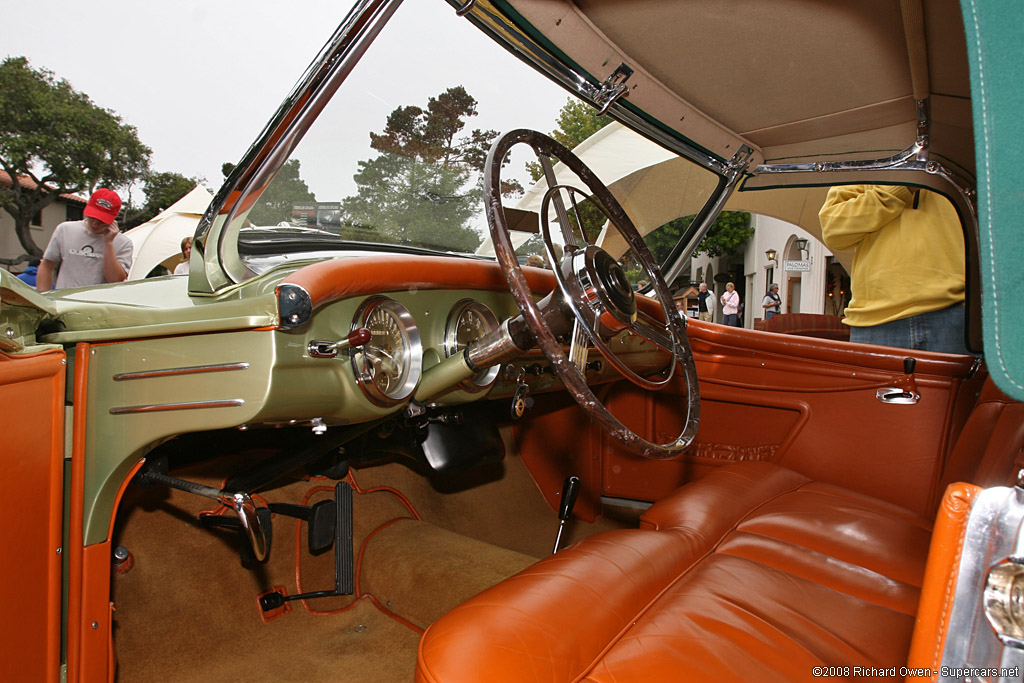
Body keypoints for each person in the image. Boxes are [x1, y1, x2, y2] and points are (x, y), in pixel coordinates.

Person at [819, 185, 967, 354]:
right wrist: (901, 187)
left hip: (954, 312)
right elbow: (833, 229)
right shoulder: (869, 163)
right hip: (875, 320)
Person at [37, 189, 133, 291]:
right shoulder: (65, 229)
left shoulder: (124, 243)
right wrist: (43, 298)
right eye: (92, 217)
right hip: (64, 301)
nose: (95, 223)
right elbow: (47, 265)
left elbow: (115, 281)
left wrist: (108, 243)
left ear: (113, 218)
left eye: (102, 220)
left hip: (98, 305)